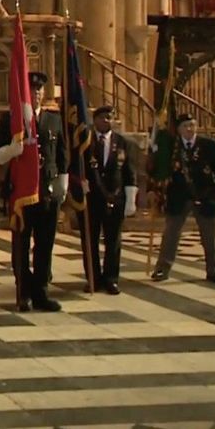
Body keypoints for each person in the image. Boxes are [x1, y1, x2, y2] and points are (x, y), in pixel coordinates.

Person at [0, 71, 67, 312]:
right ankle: (23, 292)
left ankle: (41, 291)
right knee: (21, 245)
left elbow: (62, 154)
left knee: (45, 244)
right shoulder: (11, 120)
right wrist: (13, 149)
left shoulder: (53, 120)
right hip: (22, 194)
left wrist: (62, 185)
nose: (35, 94)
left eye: (39, 90)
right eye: (31, 90)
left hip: (47, 190)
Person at [151, 114, 215, 284]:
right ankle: (162, 269)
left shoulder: (209, 145)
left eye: (193, 125)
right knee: (170, 235)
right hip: (179, 197)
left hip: (205, 196)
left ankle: (214, 270)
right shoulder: (171, 148)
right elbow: (161, 168)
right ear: (178, 129)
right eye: (185, 126)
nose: (190, 129)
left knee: (210, 236)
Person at [81, 106, 137, 294]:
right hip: (92, 198)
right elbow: (78, 166)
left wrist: (131, 197)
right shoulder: (85, 141)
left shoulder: (121, 142)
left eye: (111, 118)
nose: (107, 121)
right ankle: (93, 278)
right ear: (95, 119)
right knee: (91, 240)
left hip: (116, 196)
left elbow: (129, 170)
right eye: (104, 117)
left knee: (113, 241)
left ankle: (111, 279)